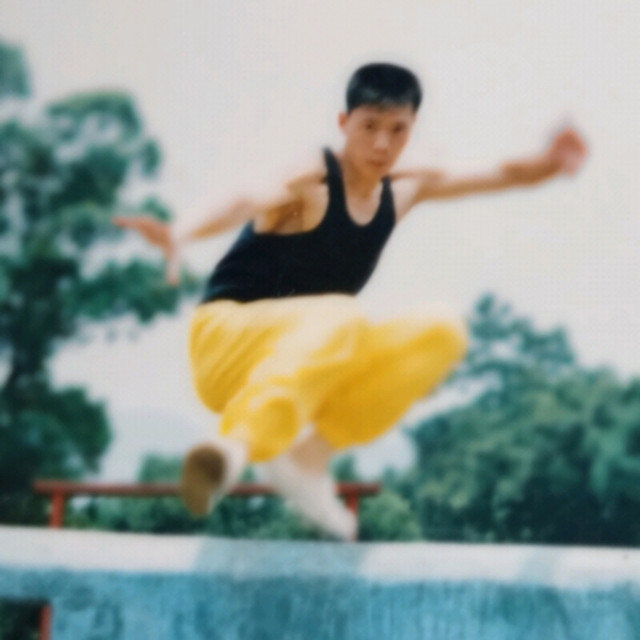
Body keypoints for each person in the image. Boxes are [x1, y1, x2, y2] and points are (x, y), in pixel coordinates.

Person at [115, 62, 588, 540]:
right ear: (344, 124)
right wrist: (181, 232)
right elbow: (247, 196)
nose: (382, 144)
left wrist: (550, 163)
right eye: (369, 127)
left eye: (397, 130)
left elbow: (500, 173)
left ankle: (306, 459)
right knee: (340, 315)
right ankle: (233, 451)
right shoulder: (312, 180)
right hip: (225, 347)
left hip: (309, 362)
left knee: (441, 332)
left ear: (412, 130)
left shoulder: (405, 189)